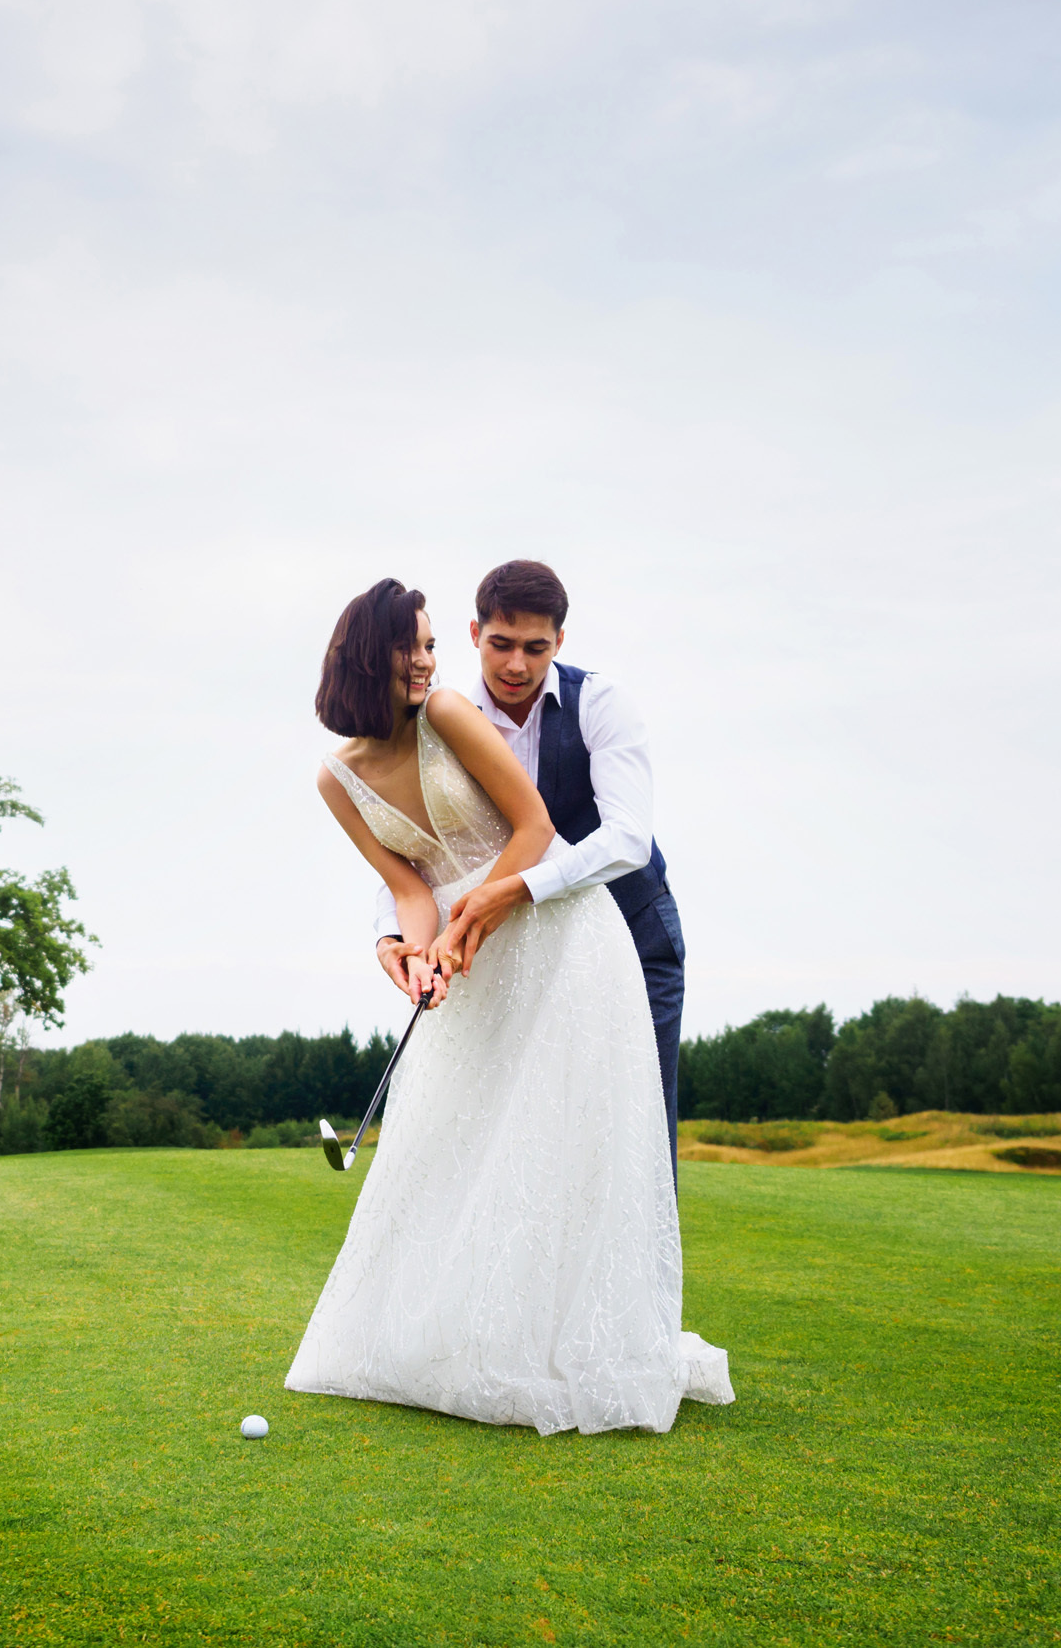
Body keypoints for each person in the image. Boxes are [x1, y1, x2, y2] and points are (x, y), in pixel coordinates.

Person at [285, 577, 730, 1434]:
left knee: (572, 1135)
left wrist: (476, 912)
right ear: (363, 654)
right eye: (410, 646)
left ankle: (583, 1343)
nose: (424, 662)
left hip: (562, 937)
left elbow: (536, 831)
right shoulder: (335, 781)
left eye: (426, 646)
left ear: (557, 642)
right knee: (472, 1141)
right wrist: (413, 953)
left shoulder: (457, 712)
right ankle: (476, 1343)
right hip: (474, 950)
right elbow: (407, 886)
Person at [371, 560, 687, 1181]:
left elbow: (629, 838)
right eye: (502, 644)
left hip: (636, 938)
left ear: (560, 642)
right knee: (530, 1144)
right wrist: (391, 936)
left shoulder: (602, 702)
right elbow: (411, 847)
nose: (517, 665)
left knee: (636, 1139)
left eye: (536, 648)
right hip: (527, 963)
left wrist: (513, 889)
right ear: (474, 633)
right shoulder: (442, 723)